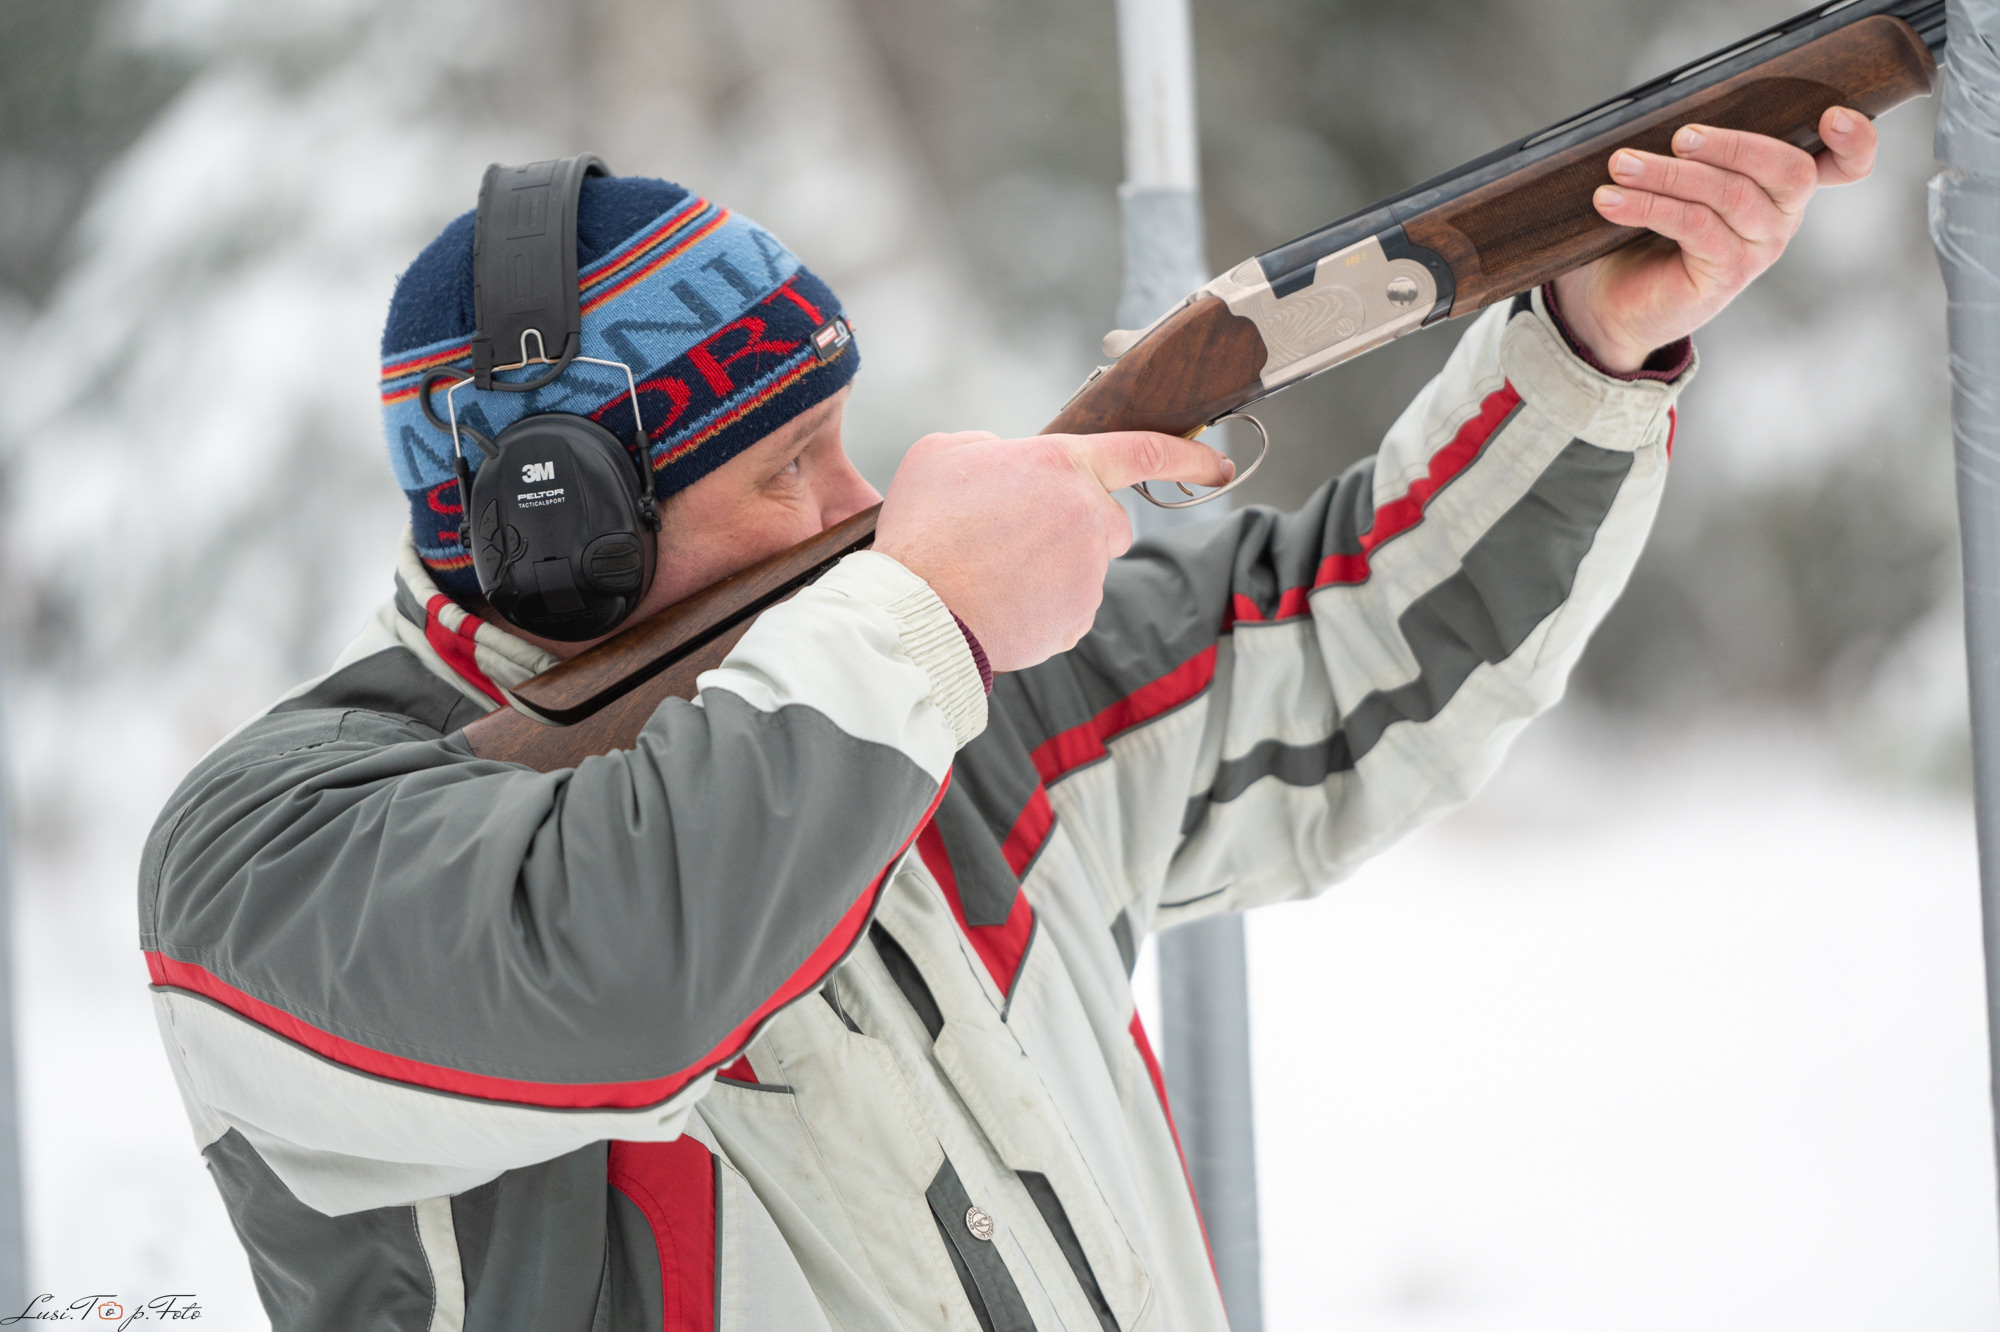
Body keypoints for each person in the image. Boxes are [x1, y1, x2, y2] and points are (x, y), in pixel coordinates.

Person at [141, 108, 1877, 1330]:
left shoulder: (911, 686)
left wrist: (1583, 351)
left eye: (843, 434)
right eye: (786, 468)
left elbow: (1361, 650)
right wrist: (929, 609)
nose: (861, 500)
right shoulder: (271, 855)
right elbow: (622, 976)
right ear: (556, 532)